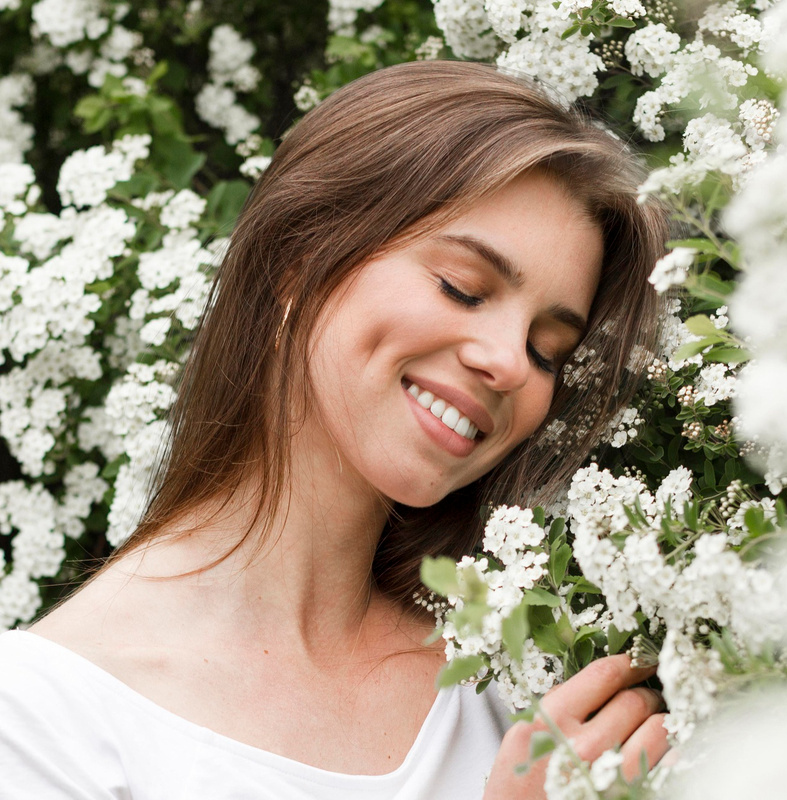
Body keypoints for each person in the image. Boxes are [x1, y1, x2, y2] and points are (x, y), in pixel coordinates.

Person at [0, 61, 670, 798]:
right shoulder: (40, 720)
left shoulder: (526, 665)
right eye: (463, 288)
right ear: (299, 260)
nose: (510, 363)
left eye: (549, 350)